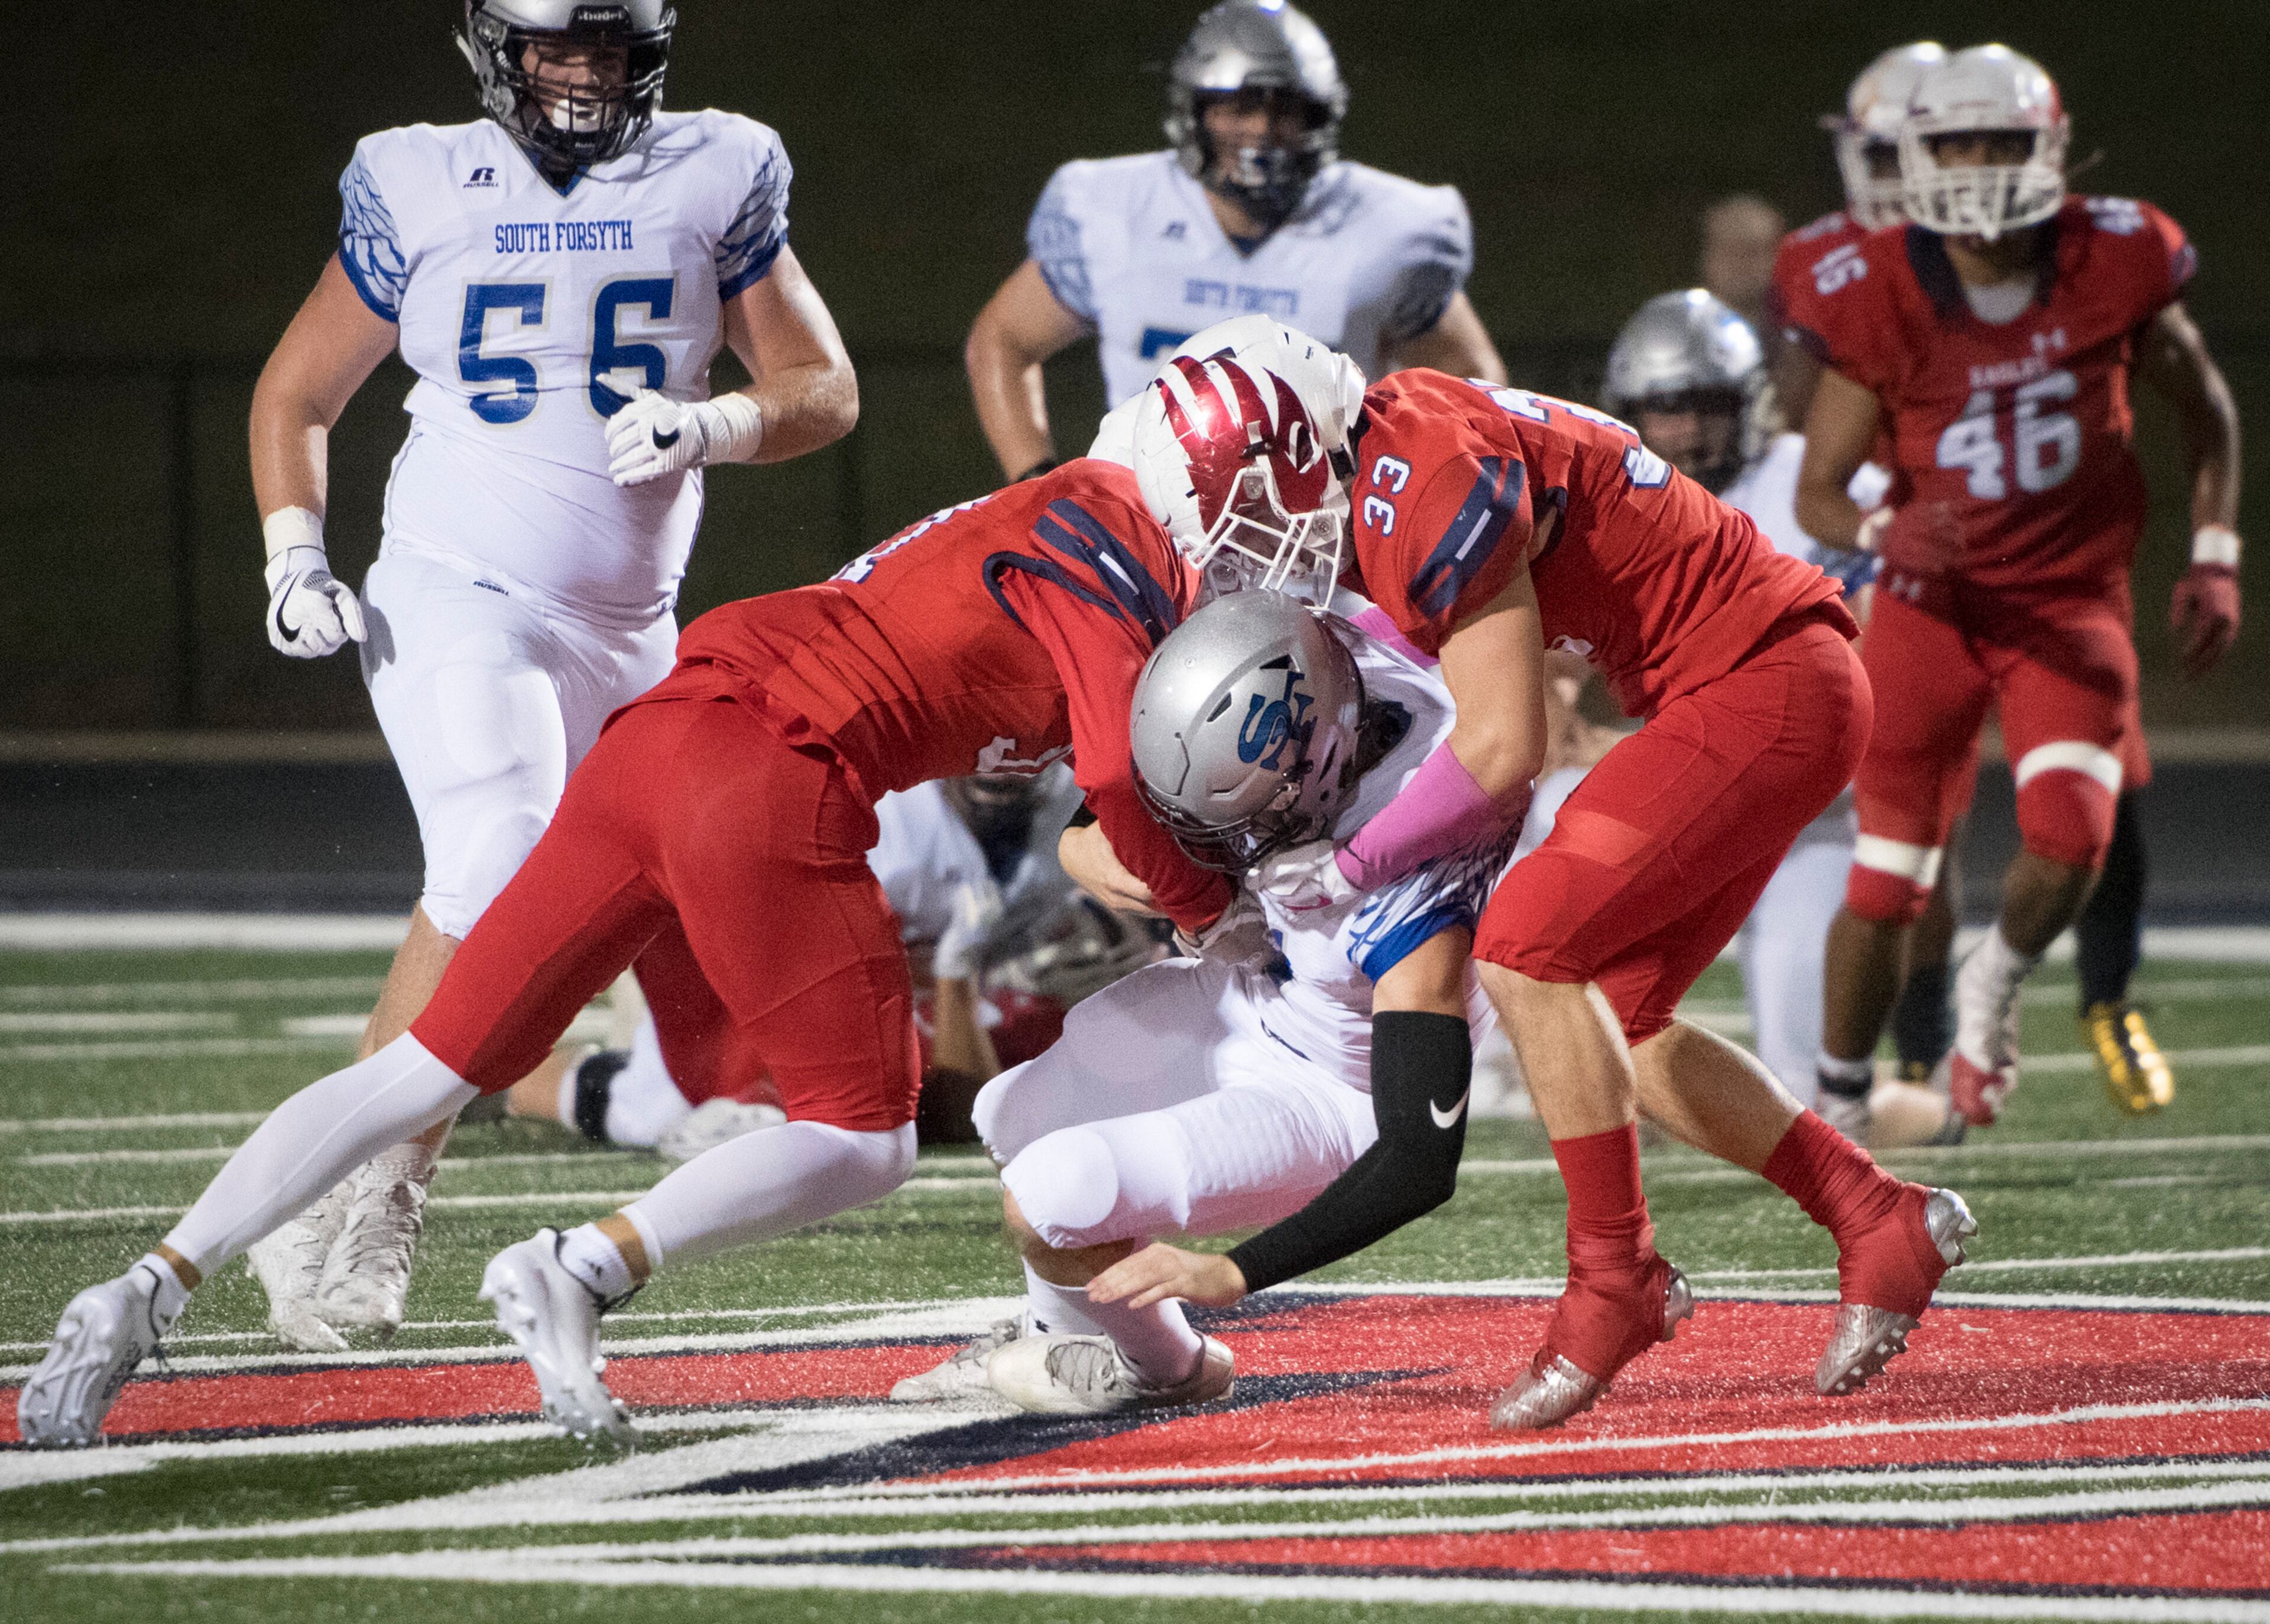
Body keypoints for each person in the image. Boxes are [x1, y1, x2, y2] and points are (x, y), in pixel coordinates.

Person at [15, 326, 1358, 1451]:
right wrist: (1216, 911)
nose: (1306, 518)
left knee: (431, 1062)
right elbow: (1122, 781)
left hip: (663, 731)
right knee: (863, 1135)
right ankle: (577, 1265)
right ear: (1220, 467)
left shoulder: (1074, 521)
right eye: (1297, 480)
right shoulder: (1107, 539)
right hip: (768, 766)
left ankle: (141, 1290)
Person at [1081, 321, 1976, 1430]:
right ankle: (1876, 1212)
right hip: (1753, 680)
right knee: (1620, 1026)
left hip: (1764, 681)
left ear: (1297, 453)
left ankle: (1617, 1280)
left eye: (1242, 506)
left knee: (1527, 948)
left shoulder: (1418, 487)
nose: (1242, 547)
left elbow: (1503, 755)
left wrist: (1346, 864)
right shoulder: (1402, 447)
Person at [239, 0, 857, 1352]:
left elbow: (823, 385)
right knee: (498, 860)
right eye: (553, 49)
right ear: (496, 50)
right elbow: (295, 395)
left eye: (607, 51)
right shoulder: (418, 173)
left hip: (628, 628)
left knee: (584, 885)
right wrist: (294, 554)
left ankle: (359, 1173)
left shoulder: (714, 166)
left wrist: (719, 420)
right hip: (456, 592)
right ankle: (372, 1190)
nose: (581, 77)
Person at [894, 592, 1509, 1413]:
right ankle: (1057, 1330)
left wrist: (1229, 1270)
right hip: (1253, 989)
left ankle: (1169, 1366)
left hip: (1335, 1092)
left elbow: (1419, 1161)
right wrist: (1111, 864)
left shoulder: (1418, 889)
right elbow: (1095, 824)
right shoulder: (1327, 648)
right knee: (1013, 1113)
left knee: (1053, 1191)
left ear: (1313, 775)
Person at [1785, 45, 2242, 1131]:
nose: (1981, 168)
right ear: (1918, 156)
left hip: (2067, 605)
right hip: (1932, 611)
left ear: (2050, 150)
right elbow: (1817, 491)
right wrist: (1890, 526)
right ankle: (1842, 1097)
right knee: (1888, 876)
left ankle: (1997, 979)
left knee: (2072, 833)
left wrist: (2216, 549)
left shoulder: (2115, 256)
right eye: (1958, 145)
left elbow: (2209, 409)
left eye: (2003, 142)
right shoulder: (1877, 286)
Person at [966, 0, 1503, 484]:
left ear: (1318, 118)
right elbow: (1004, 338)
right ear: (1195, 111)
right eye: (1240, 105)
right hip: (1146, 525)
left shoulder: (1390, 227)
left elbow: (1475, 390)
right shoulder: (1113, 208)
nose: (1262, 130)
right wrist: (1037, 482)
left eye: (1285, 110)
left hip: (1324, 538)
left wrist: (1414, 493)